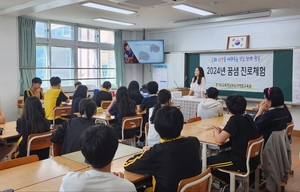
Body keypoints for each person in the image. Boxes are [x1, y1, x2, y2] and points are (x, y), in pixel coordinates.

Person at [124, 106, 201, 192]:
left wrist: (149, 152)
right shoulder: (194, 142)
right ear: (182, 125)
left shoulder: (157, 152)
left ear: (157, 129)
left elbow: (128, 165)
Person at [59, 124, 136, 191]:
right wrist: (117, 180)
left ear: (84, 153)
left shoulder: (69, 181)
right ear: (114, 151)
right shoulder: (128, 187)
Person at [206, 94, 260, 190]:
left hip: (239, 162)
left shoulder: (234, 120)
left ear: (229, 110)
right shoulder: (248, 118)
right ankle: (228, 185)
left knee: (205, 163)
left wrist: (215, 132)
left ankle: (230, 185)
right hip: (253, 160)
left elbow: (219, 140)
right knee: (219, 156)